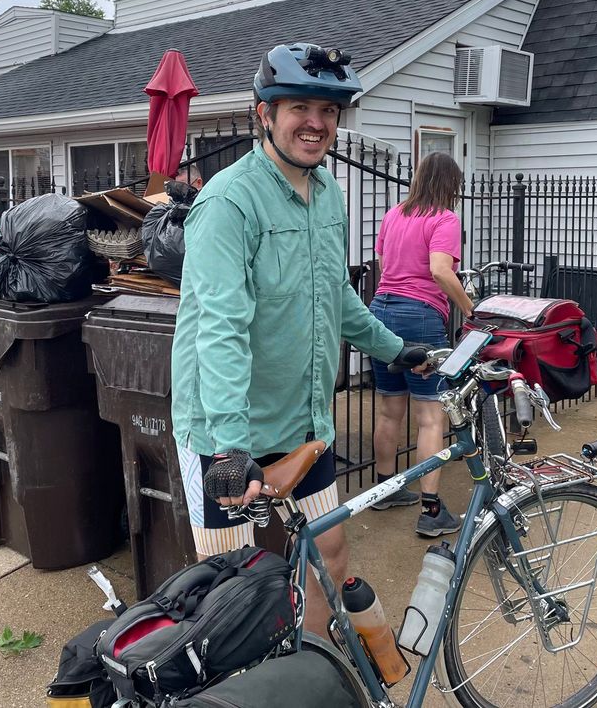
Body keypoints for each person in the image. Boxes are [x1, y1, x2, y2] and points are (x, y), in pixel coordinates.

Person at [171, 42, 429, 635]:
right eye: (299, 107)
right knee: (231, 589)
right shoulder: (228, 203)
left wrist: (397, 350)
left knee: (330, 553)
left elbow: (334, 298)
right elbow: (221, 329)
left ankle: (306, 670)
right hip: (224, 429)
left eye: (329, 111)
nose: (315, 123)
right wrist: (233, 448)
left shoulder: (329, 194)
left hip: (302, 422)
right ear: (265, 113)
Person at [369, 151, 475, 537]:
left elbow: (383, 265)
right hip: (419, 316)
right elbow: (439, 270)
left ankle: (385, 489)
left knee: (389, 408)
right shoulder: (444, 219)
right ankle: (431, 511)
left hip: (379, 312)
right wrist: (469, 308)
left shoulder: (394, 214)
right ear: (450, 185)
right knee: (431, 416)